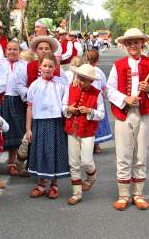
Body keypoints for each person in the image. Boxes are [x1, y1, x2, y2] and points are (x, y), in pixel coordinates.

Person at [106, 28, 149, 211]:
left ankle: (138, 194)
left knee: (140, 155)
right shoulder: (119, 64)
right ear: (125, 45)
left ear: (142, 43)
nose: (133, 45)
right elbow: (109, 89)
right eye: (129, 42)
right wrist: (125, 98)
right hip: (124, 113)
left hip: (145, 113)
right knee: (123, 153)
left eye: (136, 42)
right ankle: (123, 194)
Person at [26, 53, 70, 199]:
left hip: (56, 122)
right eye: (44, 65)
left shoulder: (62, 83)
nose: (47, 68)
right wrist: (28, 128)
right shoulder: (34, 85)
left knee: (55, 153)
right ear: (40, 66)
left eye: (50, 66)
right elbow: (30, 108)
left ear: (55, 67)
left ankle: (54, 184)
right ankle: (41, 184)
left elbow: (67, 104)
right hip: (39, 123)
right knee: (41, 152)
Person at [62, 64, 105, 205]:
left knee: (86, 161)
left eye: (85, 80)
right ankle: (76, 193)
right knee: (73, 162)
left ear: (91, 81)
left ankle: (92, 177)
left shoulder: (96, 93)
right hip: (72, 129)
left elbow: (101, 115)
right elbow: (63, 107)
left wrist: (89, 111)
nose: (81, 81)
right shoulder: (70, 88)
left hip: (87, 130)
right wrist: (69, 109)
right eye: (80, 78)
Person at [0, 41, 28, 175]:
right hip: (3, 99)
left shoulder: (24, 65)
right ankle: (10, 162)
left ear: (19, 51)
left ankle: (18, 161)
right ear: (5, 51)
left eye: (15, 49)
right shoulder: (0, 63)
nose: (12, 51)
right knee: (6, 131)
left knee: (18, 131)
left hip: (18, 100)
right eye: (9, 49)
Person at [86, 50, 113, 153]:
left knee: (88, 121)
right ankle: (96, 146)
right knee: (97, 121)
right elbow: (104, 86)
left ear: (86, 58)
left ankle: (87, 145)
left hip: (86, 98)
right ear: (98, 59)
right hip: (97, 99)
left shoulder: (83, 69)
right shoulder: (99, 71)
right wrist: (105, 95)